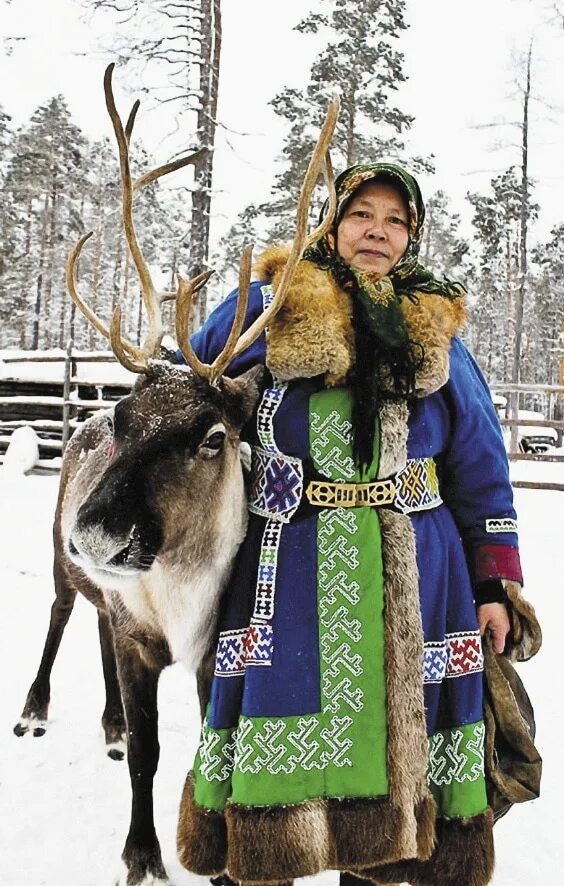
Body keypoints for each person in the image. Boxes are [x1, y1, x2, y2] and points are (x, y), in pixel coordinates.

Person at [176, 163, 539, 886]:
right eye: (362, 215)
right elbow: (193, 391)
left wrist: (495, 584)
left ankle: (386, 858)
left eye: (396, 220)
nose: (378, 231)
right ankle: (270, 853)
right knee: (280, 741)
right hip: (289, 567)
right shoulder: (273, 306)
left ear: (411, 236)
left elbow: (478, 464)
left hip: (420, 576)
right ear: (332, 224)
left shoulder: (434, 331)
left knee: (405, 765)